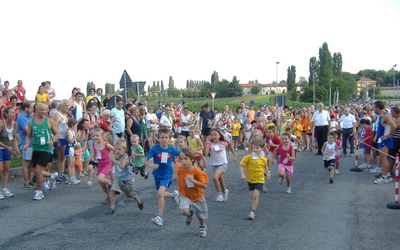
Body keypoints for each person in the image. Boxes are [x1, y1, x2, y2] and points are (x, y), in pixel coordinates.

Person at [144, 128, 180, 226]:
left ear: (170, 139)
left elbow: (182, 154)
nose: (164, 139)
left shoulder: (172, 149)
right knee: (162, 194)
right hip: (157, 174)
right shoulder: (155, 149)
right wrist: (152, 166)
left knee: (160, 194)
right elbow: (145, 160)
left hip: (167, 174)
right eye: (162, 137)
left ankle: (159, 217)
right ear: (158, 138)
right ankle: (173, 195)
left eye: (166, 137)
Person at [24, 103, 60, 200]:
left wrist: (52, 141)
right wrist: (26, 144)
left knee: (39, 170)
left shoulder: (49, 121)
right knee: (36, 171)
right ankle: (51, 176)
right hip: (36, 148)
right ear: (36, 111)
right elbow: (28, 136)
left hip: (46, 148)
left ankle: (39, 191)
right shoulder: (31, 122)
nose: (44, 112)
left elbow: (57, 134)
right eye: (42, 110)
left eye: (46, 109)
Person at [175, 147, 209, 237]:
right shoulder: (179, 169)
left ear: (192, 159)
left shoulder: (197, 172)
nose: (183, 161)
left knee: (201, 215)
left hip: (197, 196)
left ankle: (202, 226)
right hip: (185, 195)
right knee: (184, 212)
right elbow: (176, 164)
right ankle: (189, 213)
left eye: (186, 159)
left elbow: (204, 185)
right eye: (181, 159)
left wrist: (193, 180)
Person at [106, 139, 143, 215]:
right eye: (116, 149)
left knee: (131, 194)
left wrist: (113, 159)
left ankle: (139, 201)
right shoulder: (115, 155)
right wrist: (111, 168)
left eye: (119, 149)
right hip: (118, 178)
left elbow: (122, 166)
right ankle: (112, 208)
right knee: (112, 191)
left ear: (124, 149)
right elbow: (113, 163)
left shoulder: (125, 156)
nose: (117, 151)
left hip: (126, 179)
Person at [240, 138, 269, 220]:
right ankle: (255, 203)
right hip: (250, 179)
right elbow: (241, 165)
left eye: (257, 148)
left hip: (259, 179)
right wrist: (242, 174)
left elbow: (265, 166)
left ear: (261, 148)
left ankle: (253, 211)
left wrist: (268, 173)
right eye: (254, 148)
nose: (255, 149)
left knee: (255, 195)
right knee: (252, 196)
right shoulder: (248, 157)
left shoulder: (263, 159)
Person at [204, 128, 236, 202]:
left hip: (223, 164)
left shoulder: (223, 143)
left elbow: (231, 147)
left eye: (215, 135)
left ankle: (219, 193)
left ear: (219, 135)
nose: (214, 136)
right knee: (220, 179)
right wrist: (206, 146)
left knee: (215, 177)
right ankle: (225, 190)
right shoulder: (210, 144)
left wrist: (234, 156)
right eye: (212, 135)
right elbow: (204, 154)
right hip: (214, 164)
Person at [0, 106, 21, 199]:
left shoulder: (15, 124)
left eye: (14, 112)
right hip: (1, 147)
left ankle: (4, 188)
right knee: (0, 169)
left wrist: (17, 150)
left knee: (6, 168)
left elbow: (14, 139)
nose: (13, 114)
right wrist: (7, 147)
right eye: (11, 113)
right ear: (6, 114)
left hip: (7, 148)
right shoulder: (1, 124)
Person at [373, 101, 396, 184]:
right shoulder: (381, 116)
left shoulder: (386, 115)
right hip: (381, 139)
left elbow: (393, 126)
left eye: (374, 107)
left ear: (378, 108)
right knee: (383, 158)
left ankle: (384, 176)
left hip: (385, 140)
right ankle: (388, 175)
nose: (373, 109)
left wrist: (388, 136)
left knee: (384, 158)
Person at [90, 128, 114, 204]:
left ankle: (111, 184)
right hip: (100, 164)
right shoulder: (94, 145)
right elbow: (93, 156)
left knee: (100, 178)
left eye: (97, 135)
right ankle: (109, 196)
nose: (95, 137)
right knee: (101, 183)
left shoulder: (105, 144)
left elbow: (114, 149)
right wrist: (90, 163)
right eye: (93, 136)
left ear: (102, 136)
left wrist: (112, 158)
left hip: (107, 164)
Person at [52, 99, 70, 183]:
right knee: (60, 157)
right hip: (60, 138)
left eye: (68, 105)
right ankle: (59, 175)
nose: (67, 107)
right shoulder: (57, 115)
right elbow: (54, 128)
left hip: (65, 138)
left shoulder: (65, 115)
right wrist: (57, 140)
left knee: (63, 158)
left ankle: (61, 174)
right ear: (61, 106)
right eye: (65, 105)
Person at [17, 102, 34, 190]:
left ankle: (30, 180)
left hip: (32, 142)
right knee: (26, 163)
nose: (32, 109)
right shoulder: (21, 117)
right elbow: (27, 130)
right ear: (26, 108)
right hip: (25, 143)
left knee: (30, 163)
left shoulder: (30, 117)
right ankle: (26, 182)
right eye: (30, 108)